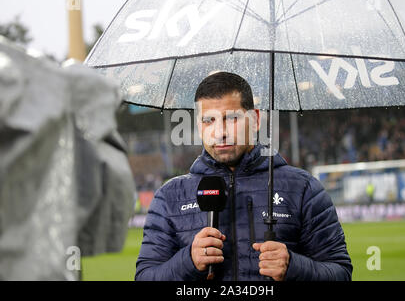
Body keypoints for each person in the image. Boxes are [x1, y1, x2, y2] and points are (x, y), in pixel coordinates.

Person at [135, 72, 352, 281]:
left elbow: (340, 272)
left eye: (231, 118)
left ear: (255, 120)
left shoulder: (303, 189)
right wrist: (188, 261)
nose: (220, 132)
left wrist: (293, 267)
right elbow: (144, 276)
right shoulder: (170, 197)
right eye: (209, 120)